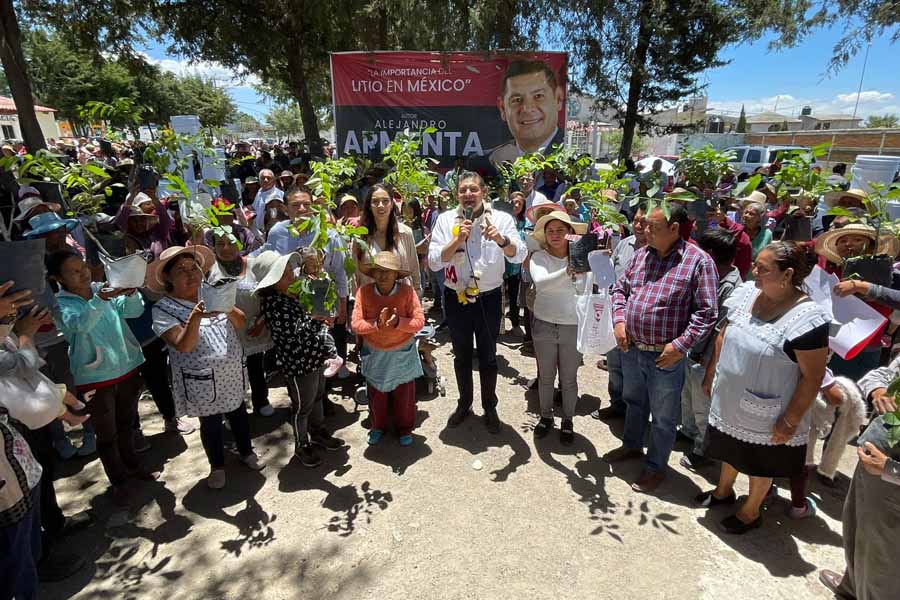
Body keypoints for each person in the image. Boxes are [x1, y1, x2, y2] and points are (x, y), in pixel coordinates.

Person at [696, 242, 829, 534]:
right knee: (729, 448)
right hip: (730, 397)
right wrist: (712, 372)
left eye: (763, 268)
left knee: (760, 461)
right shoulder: (747, 294)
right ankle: (723, 491)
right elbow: (725, 333)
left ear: (787, 274)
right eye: (755, 264)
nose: (753, 271)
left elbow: (813, 376)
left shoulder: (807, 319)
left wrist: (790, 420)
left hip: (770, 408)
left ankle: (750, 511)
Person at [606, 202, 719, 493]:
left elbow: (707, 312)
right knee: (634, 402)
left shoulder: (698, 262)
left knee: (664, 417)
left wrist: (680, 347)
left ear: (674, 229)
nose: (644, 230)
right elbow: (620, 289)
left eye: (652, 227)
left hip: (665, 356)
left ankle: (656, 467)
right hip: (631, 347)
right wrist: (620, 322)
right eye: (644, 225)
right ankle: (631, 446)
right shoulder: (642, 255)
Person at [149, 246, 264, 489]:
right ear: (168, 277)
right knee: (210, 424)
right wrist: (196, 317)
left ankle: (246, 452)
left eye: (194, 268)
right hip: (200, 378)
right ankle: (217, 466)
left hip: (230, 371)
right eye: (182, 270)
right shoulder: (162, 309)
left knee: (239, 413)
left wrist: (225, 305)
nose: (191, 274)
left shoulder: (212, 292)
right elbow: (184, 346)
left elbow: (240, 322)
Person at [48, 249, 151, 506]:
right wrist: (101, 299)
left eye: (83, 266)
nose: (83, 272)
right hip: (95, 377)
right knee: (107, 434)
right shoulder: (60, 304)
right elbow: (79, 325)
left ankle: (133, 467)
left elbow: (133, 311)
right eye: (73, 271)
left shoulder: (101, 288)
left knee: (127, 424)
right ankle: (118, 481)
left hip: (126, 367)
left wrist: (130, 294)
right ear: (58, 278)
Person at [428, 171, 526, 432]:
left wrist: (501, 240)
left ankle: (490, 406)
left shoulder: (502, 219)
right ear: (457, 195)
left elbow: (519, 255)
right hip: (455, 297)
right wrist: (457, 239)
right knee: (460, 355)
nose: (468, 195)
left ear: (484, 192)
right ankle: (464, 404)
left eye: (473, 189)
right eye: (463, 190)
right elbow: (434, 260)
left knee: (488, 356)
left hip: (489, 298)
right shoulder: (446, 219)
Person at [819, 355, 900, 600]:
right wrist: (878, 391)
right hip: (872, 463)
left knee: (884, 558)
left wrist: (888, 468)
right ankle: (851, 586)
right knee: (855, 525)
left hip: (892, 479)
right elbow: (880, 375)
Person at [253, 251, 345, 468]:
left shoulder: (291, 294)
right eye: (284, 275)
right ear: (273, 282)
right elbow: (294, 333)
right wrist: (315, 318)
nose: (291, 277)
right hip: (297, 363)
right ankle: (302, 445)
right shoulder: (274, 304)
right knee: (302, 406)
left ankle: (318, 432)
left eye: (288, 272)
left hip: (314, 355)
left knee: (318, 396)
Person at [679, 228, 742, 470]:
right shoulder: (710, 276)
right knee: (688, 400)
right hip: (692, 351)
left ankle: (702, 450)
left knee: (704, 408)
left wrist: (708, 367)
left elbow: (721, 332)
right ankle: (688, 433)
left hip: (705, 359)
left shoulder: (732, 289)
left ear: (712, 254)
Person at [352, 252, 425, 446]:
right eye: (379, 271)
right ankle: (377, 427)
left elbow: (419, 322)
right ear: (373, 274)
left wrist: (398, 322)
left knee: (405, 394)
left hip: (402, 351)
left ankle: (405, 428)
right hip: (375, 352)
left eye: (388, 272)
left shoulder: (407, 293)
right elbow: (356, 324)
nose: (383, 276)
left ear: (396, 275)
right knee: (377, 395)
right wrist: (376, 323)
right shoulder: (363, 292)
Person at [528, 212, 588, 444]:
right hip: (544, 323)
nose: (554, 235)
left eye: (560, 230)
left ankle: (568, 419)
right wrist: (567, 272)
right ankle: (546, 416)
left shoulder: (583, 259)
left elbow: (586, 288)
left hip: (572, 325)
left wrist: (597, 263)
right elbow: (541, 284)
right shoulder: (539, 257)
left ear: (570, 233)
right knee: (546, 376)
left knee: (569, 378)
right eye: (550, 231)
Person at [814, 222, 899, 380]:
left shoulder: (887, 276)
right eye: (843, 240)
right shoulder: (831, 273)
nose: (849, 244)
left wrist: (862, 288)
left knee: (852, 393)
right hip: (827, 344)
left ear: (871, 246)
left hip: (863, 348)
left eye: (857, 240)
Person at [207, 230, 275, 417]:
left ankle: (261, 399)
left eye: (231, 242)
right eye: (220, 244)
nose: (226, 248)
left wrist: (262, 320)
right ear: (213, 247)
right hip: (225, 331)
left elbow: (270, 294)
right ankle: (233, 409)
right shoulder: (209, 271)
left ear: (241, 244)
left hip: (254, 328)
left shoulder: (254, 266)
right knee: (230, 371)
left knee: (255, 366)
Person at [592, 204, 648, 421]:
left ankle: (634, 415)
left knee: (634, 372)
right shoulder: (624, 244)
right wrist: (599, 260)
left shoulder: (658, 250)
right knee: (614, 365)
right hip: (615, 316)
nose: (639, 225)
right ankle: (616, 405)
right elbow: (608, 276)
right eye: (636, 220)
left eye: (644, 222)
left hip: (638, 320)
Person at [489, 60, 565, 168]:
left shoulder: (572, 160)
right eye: (517, 99)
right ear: (503, 109)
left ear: (558, 99)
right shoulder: (486, 161)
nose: (527, 109)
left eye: (538, 96)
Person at [353, 184, 422, 295]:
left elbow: (414, 270)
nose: (380, 205)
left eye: (385, 201)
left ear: (391, 204)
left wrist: (416, 301)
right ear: (369, 206)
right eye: (375, 202)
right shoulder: (360, 237)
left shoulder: (405, 233)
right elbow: (355, 276)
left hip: (402, 301)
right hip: (370, 302)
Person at [505, 191, 528, 330]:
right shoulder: (503, 219)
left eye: (520, 203)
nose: (517, 205)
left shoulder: (525, 222)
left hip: (517, 264)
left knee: (514, 295)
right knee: (500, 295)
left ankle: (515, 322)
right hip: (501, 263)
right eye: (514, 202)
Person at [739, 197, 773, 280]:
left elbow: (768, 256)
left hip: (756, 274)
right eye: (745, 212)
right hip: (739, 273)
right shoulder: (738, 231)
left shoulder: (767, 234)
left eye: (751, 214)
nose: (746, 216)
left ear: (759, 218)